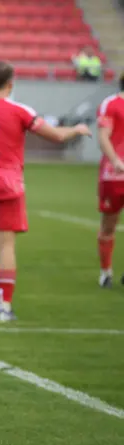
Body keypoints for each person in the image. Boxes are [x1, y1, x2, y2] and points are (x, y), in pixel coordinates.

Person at [0, 61, 92, 321]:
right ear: (11, 83)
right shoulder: (19, 110)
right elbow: (55, 136)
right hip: (8, 185)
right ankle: (4, 307)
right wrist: (77, 129)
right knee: (5, 245)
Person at [96, 73, 124, 288]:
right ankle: (106, 272)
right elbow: (104, 135)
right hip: (113, 175)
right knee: (108, 224)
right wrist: (115, 160)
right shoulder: (111, 104)